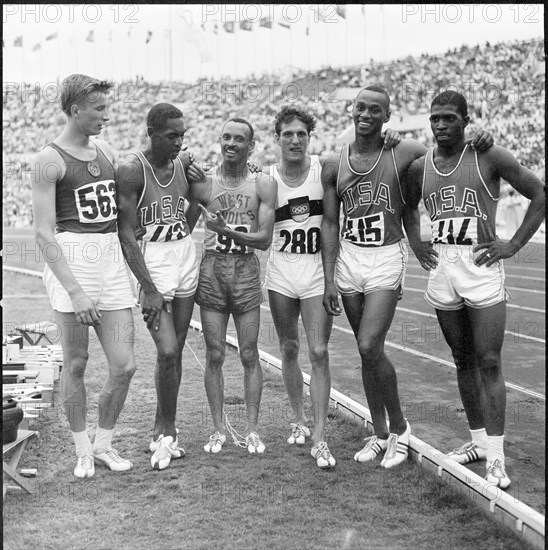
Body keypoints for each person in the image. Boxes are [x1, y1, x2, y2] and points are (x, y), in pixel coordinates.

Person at [321, 86, 494, 469]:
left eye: (375, 110)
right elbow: (331, 222)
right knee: (368, 356)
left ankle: (401, 429)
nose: (365, 114)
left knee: (369, 344)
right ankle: (380, 434)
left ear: (388, 117)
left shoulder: (404, 150)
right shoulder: (334, 164)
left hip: (385, 256)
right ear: (351, 111)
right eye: (360, 107)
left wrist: (483, 136)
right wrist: (329, 277)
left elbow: (450, 153)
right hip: (350, 258)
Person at [404, 91, 545, 488]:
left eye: (449, 118)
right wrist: (416, 242)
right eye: (435, 118)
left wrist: (512, 245)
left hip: (481, 267)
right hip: (443, 268)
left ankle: (497, 457)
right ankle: (479, 442)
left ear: (466, 120)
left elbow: (540, 193)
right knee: (462, 359)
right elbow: (406, 207)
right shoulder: (420, 167)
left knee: (489, 361)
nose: (440, 125)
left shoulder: (489, 155)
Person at [265, 105, 400, 469]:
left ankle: (321, 436)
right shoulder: (265, 178)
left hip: (314, 271)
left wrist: (390, 139)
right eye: (287, 134)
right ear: (276, 138)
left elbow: (367, 164)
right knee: (288, 348)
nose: (295, 140)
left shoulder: (325, 168)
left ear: (309, 139)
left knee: (319, 351)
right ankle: (299, 419)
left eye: (301, 134)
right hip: (280, 272)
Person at [32, 74, 136, 478]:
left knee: (124, 365)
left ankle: (103, 444)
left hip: (109, 259)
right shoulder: (48, 160)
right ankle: (81, 450)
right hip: (72, 259)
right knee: (75, 363)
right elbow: (43, 233)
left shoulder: (106, 150)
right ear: (76, 109)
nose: (106, 116)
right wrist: (74, 291)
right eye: (99, 109)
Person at [117, 103, 205, 470]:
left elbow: (197, 204)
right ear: (152, 133)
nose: (179, 142)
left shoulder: (183, 164)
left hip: (184, 255)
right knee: (166, 350)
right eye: (172, 136)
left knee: (177, 350)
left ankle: (161, 431)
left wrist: (186, 219)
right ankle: (167, 434)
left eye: (182, 135)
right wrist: (147, 286)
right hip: (152, 263)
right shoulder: (132, 170)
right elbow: (125, 234)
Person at [194, 118, 277, 455]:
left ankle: (253, 430)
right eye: (226, 137)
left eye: (239, 139)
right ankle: (218, 430)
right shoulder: (203, 184)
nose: (231, 143)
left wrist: (226, 231)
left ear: (251, 146)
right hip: (213, 269)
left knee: (248, 352)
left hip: (244, 270)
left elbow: (264, 239)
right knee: (214, 354)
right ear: (219, 140)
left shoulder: (263, 184)